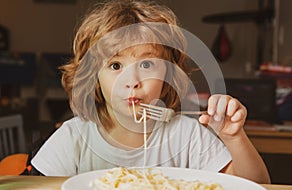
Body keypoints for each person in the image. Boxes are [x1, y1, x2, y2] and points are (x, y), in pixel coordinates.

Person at [31, 0, 270, 184]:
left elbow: (255, 185)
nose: (132, 81)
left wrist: (234, 137)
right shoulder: (75, 137)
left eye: (146, 65)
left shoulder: (187, 135)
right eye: (115, 66)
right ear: (93, 77)